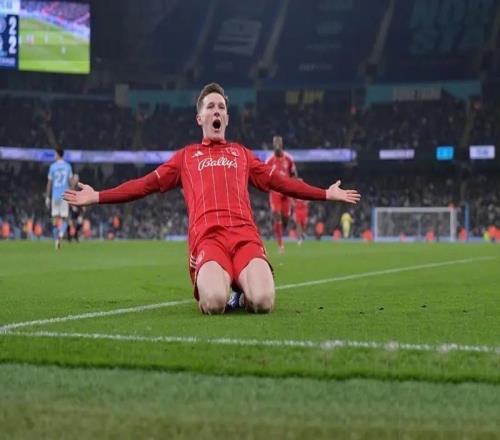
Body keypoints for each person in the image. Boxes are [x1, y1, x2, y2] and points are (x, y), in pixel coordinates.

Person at [64, 82, 361, 315]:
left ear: (227, 118)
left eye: (221, 107)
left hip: (245, 237)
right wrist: (98, 196)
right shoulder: (185, 157)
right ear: (200, 117)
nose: (217, 111)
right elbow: (144, 185)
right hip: (208, 241)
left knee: (263, 302)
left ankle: (242, 290)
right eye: (210, 106)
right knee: (214, 303)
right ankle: (225, 286)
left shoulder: (242, 154)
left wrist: (325, 193)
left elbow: (282, 183)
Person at [265, 136, 296, 253]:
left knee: (285, 219)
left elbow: (294, 175)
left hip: (286, 192)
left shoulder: (289, 159)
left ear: (282, 144)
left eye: (279, 143)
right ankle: (280, 245)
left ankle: (276, 229)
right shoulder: (269, 161)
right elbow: (265, 176)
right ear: (273, 145)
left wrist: (293, 192)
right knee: (276, 215)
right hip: (275, 192)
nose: (277, 145)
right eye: (275, 143)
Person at [46, 148, 73, 250]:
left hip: (55, 195)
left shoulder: (52, 166)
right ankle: (61, 234)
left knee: (54, 218)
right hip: (65, 196)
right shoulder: (68, 166)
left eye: (55, 154)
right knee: (65, 218)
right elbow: (71, 182)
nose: (54, 156)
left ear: (58, 154)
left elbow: (49, 183)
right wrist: (72, 194)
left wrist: (47, 197)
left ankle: (56, 239)